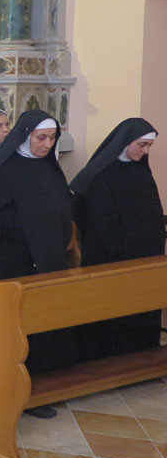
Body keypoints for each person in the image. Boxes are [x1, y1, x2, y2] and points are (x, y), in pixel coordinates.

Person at [0, 110, 74, 417]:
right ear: (25, 136)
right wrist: (33, 230)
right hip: (16, 260)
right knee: (18, 327)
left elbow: (63, 205)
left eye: (52, 138)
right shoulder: (3, 170)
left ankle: (42, 383)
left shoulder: (49, 168)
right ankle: (15, 387)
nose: (47, 145)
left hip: (49, 258)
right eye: (41, 138)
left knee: (43, 321)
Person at [70, 118, 165, 360]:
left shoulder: (141, 172)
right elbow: (88, 216)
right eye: (142, 145)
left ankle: (143, 359)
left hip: (144, 259)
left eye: (149, 146)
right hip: (109, 258)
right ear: (125, 141)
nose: (145, 152)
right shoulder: (100, 174)